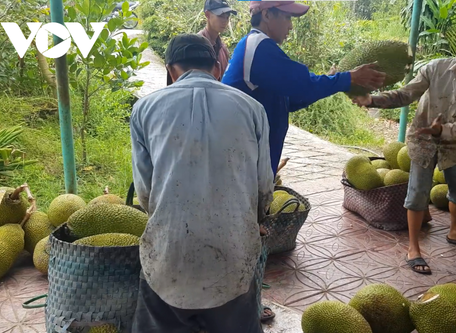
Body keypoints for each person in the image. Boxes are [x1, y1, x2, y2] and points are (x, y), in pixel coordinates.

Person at [130, 33, 274, 333]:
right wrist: (256, 220)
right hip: (233, 255)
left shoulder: (144, 109)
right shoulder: (252, 109)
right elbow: (263, 188)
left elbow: (145, 192)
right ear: (217, 68)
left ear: (170, 71)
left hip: (169, 255)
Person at [352, 28, 456, 275]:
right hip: (422, 138)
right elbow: (405, 94)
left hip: (455, 142)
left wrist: (442, 130)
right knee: (418, 192)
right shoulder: (437, 68)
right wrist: (373, 100)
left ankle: (455, 231)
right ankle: (413, 248)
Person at [221, 1, 387, 178]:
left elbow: (290, 98)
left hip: (250, 156)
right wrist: (349, 78)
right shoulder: (259, 47)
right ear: (267, 15)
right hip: (243, 160)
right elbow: (304, 85)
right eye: (287, 17)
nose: (291, 26)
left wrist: (332, 82)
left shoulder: (256, 46)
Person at [198, 0, 237, 81]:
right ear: (207, 15)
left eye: (227, 17)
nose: (225, 21)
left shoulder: (223, 49)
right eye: (221, 16)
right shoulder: (196, 45)